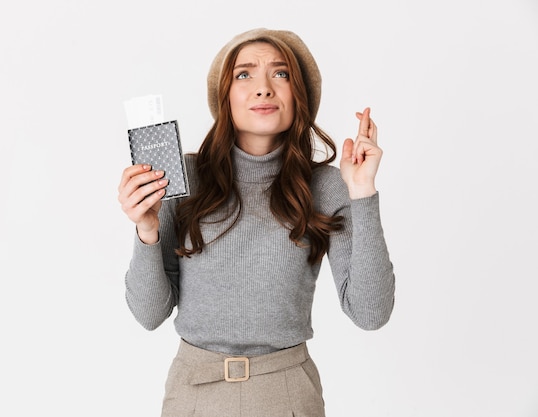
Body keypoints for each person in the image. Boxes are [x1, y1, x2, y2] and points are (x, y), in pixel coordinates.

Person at [118, 28, 395, 417]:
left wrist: (363, 193)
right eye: (244, 74)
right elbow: (149, 315)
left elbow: (371, 313)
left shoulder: (328, 186)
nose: (263, 88)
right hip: (194, 394)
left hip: (288, 394)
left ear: (299, 96)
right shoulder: (182, 177)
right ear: (224, 95)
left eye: (280, 74)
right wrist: (147, 230)